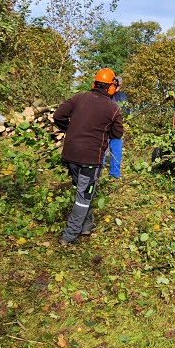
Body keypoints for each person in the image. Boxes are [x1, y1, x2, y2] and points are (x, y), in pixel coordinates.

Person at [53, 68, 124, 245]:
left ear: (94, 84)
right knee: (83, 197)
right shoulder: (113, 108)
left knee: (82, 190)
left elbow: (58, 115)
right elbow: (117, 134)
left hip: (70, 155)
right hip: (90, 160)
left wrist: (68, 129)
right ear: (111, 88)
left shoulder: (78, 97)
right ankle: (69, 236)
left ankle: (86, 225)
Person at [107, 76, 128, 179]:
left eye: (118, 85)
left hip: (117, 127)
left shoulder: (122, 96)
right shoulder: (106, 95)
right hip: (105, 126)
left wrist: (125, 118)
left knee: (117, 151)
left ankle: (115, 174)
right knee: (102, 150)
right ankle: (97, 172)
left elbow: (126, 110)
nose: (117, 87)